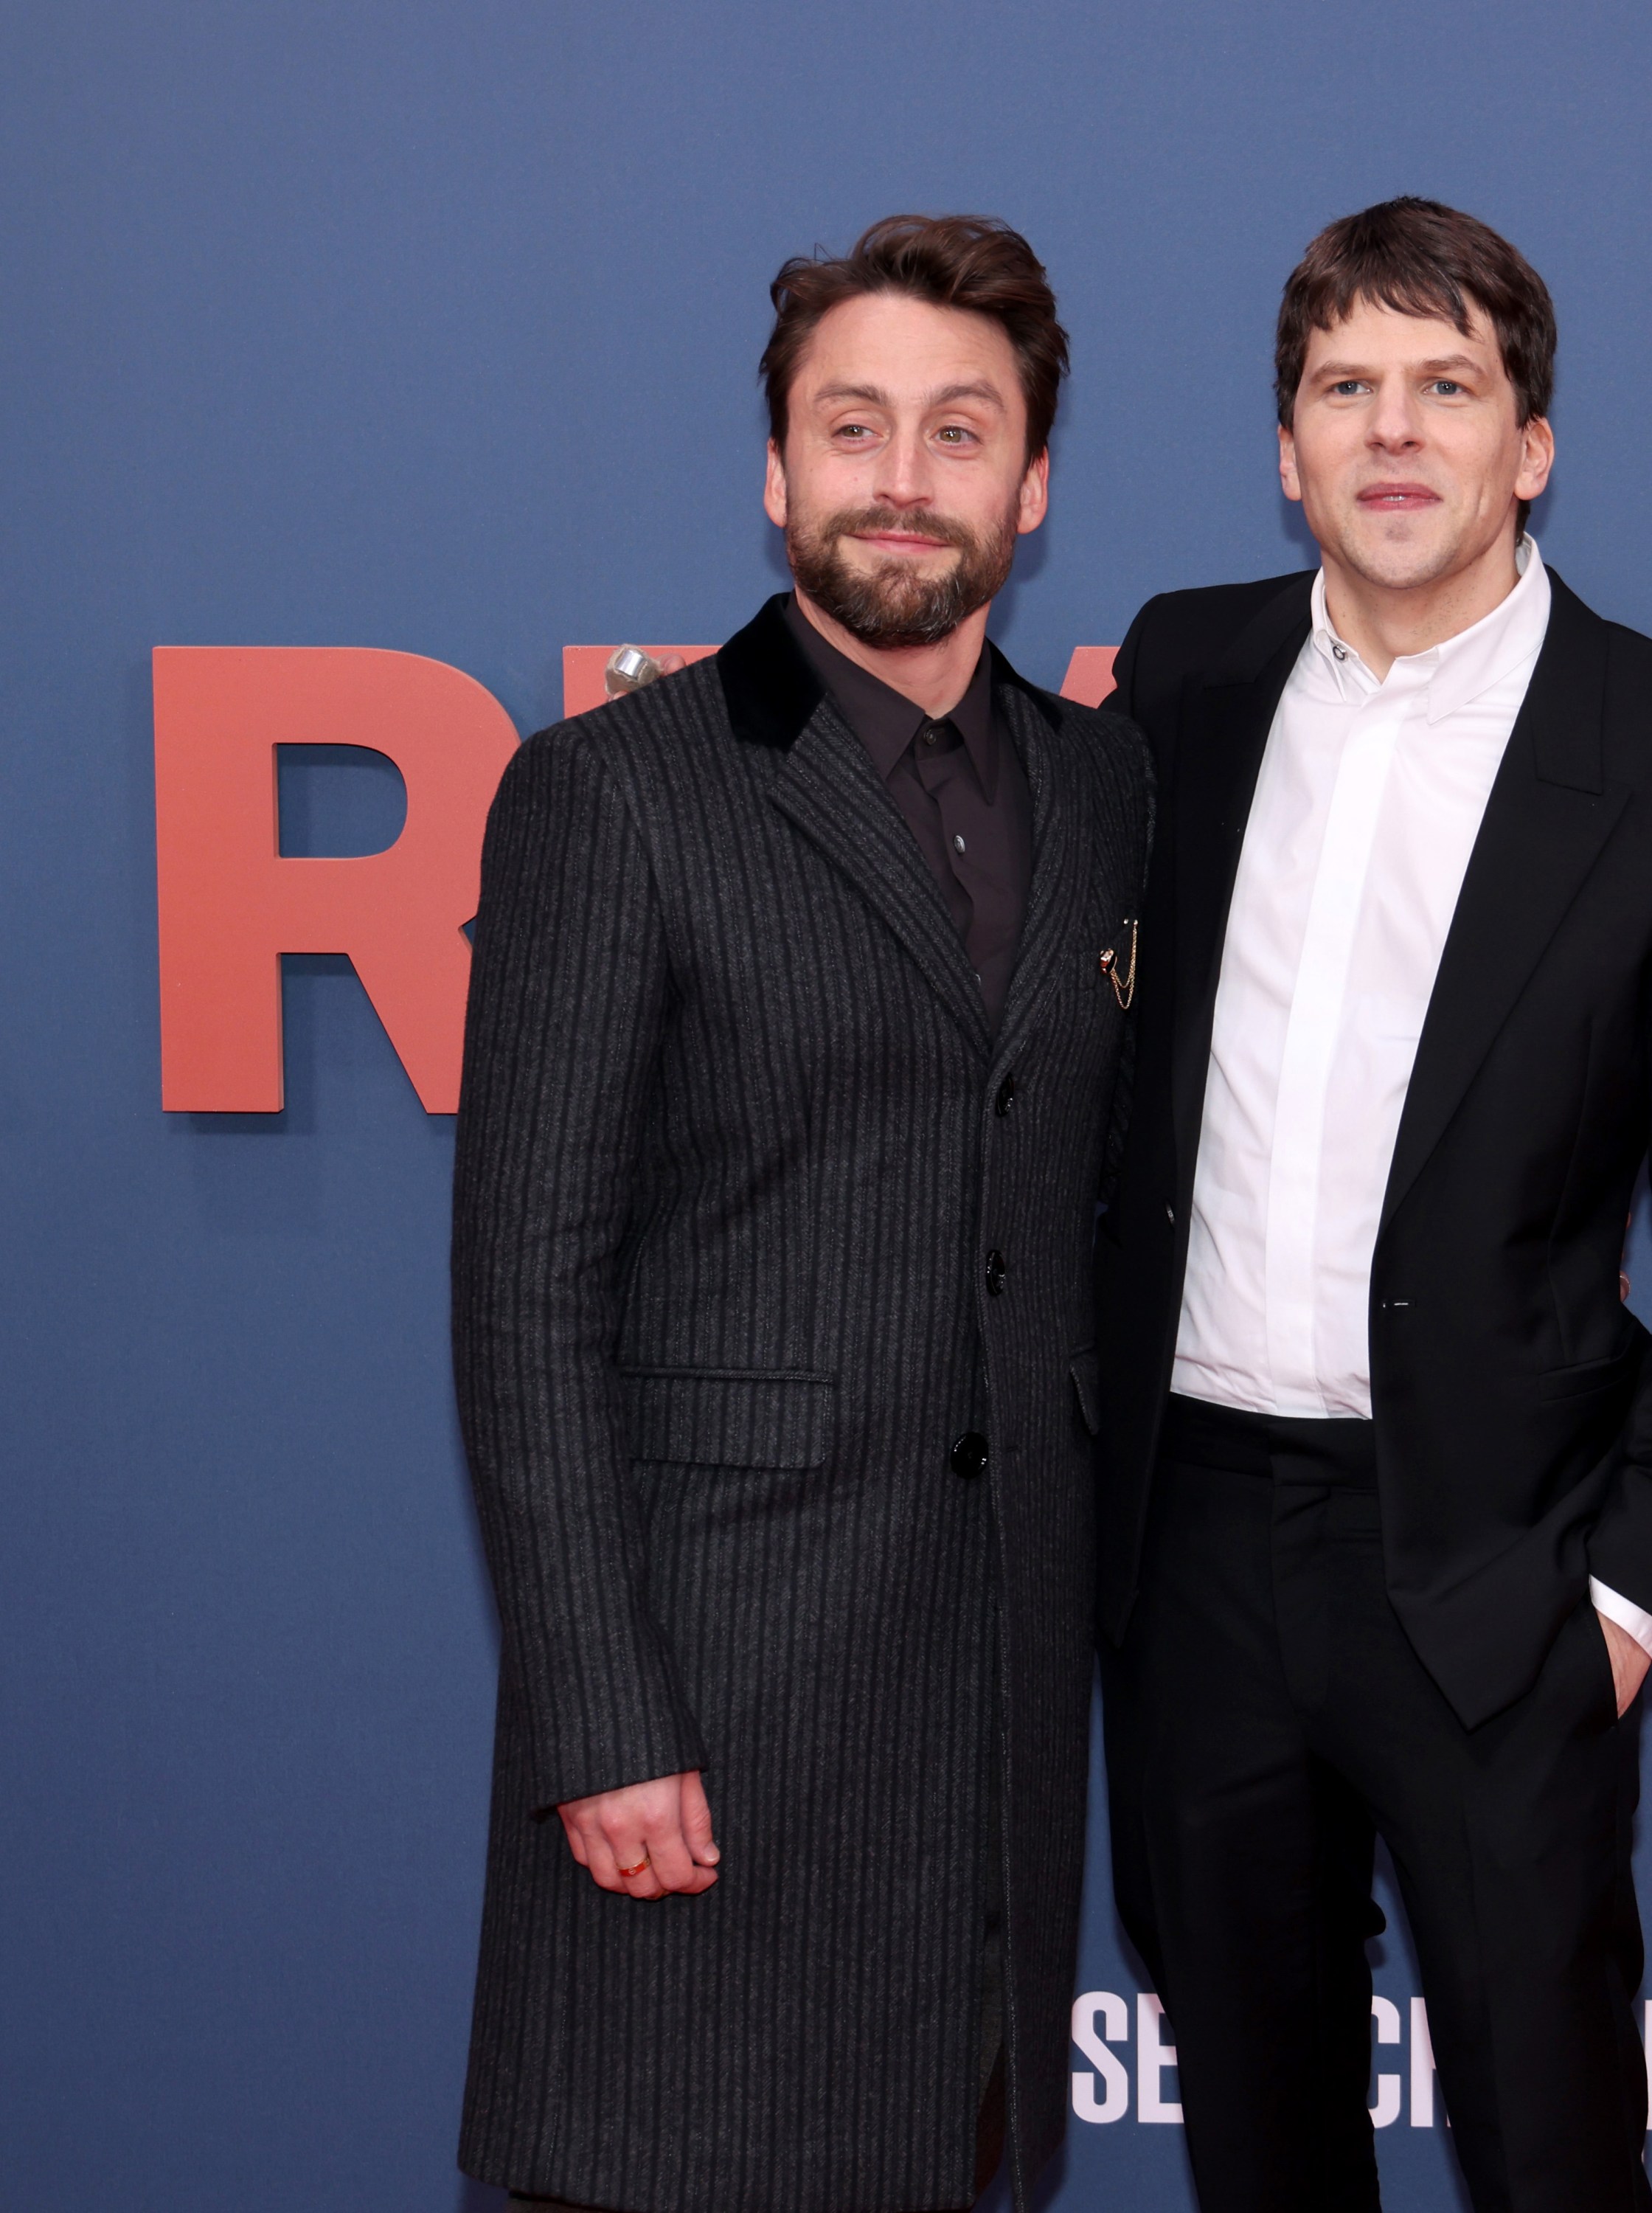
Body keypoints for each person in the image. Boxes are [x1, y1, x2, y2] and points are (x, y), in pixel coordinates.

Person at [1094, 197, 1652, 2212]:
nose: (1393, 432)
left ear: (1532, 444)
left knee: (1553, 2151)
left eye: (1448, 386)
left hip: (1501, 1575)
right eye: (1346, 387)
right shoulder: (1182, 677)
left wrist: (1627, 1604)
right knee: (1257, 2147)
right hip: (1200, 1556)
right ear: (1287, 446)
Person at [451, 213, 1149, 2213]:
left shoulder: (1108, 796)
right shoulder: (615, 796)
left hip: (998, 1734)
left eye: (958, 430)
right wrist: (600, 1714)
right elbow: (525, 1291)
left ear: (1033, 484)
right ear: (778, 478)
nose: (903, 480)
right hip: (711, 1718)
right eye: (854, 428)